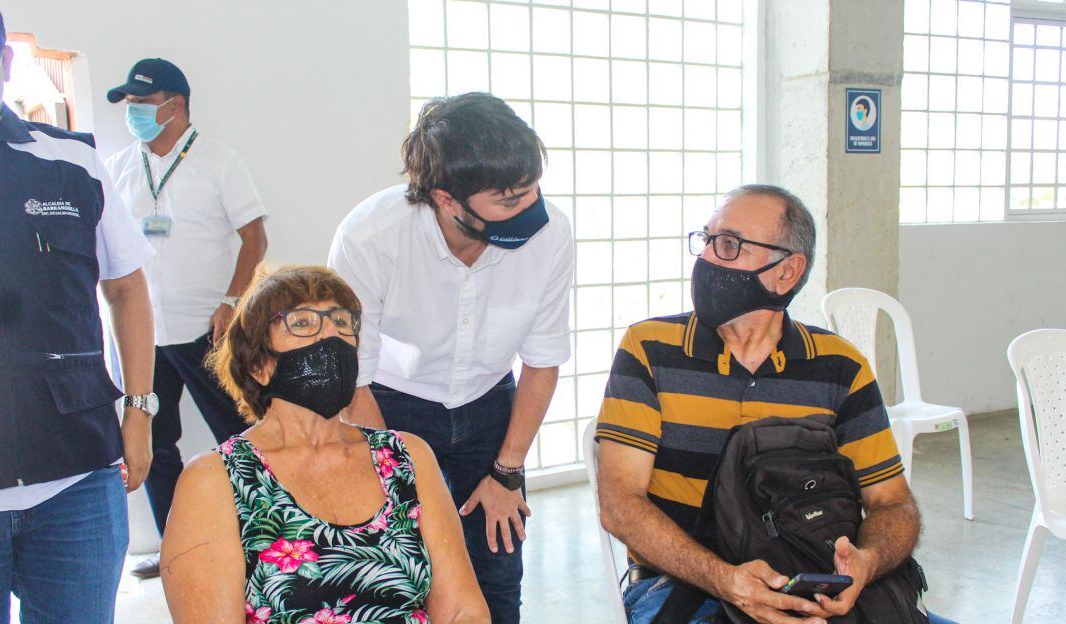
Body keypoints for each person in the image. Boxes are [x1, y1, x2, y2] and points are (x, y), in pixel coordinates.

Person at [596, 185, 957, 624]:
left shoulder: (840, 367)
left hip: (812, 584)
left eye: (729, 244)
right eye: (705, 240)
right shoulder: (649, 350)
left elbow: (893, 504)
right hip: (686, 587)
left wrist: (866, 562)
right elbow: (619, 504)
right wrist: (727, 580)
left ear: (787, 272)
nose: (707, 259)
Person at [327, 92, 573, 623]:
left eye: (532, 193)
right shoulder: (371, 237)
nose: (528, 211)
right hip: (391, 411)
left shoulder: (551, 234)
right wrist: (398, 487)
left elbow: (543, 359)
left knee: (497, 579)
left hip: (492, 409)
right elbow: (354, 382)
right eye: (508, 202)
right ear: (446, 199)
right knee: (403, 577)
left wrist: (507, 472)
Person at [160, 265, 490, 624]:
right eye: (303, 323)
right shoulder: (215, 480)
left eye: (342, 323)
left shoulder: (406, 457)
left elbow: (462, 611)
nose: (331, 337)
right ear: (259, 364)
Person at [0, 1, 157, 620]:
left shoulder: (70, 161)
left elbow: (128, 288)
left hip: (76, 480)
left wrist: (139, 412)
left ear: (3, 61)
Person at [104, 57, 269, 579]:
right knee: (153, 443)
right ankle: (180, 548)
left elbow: (254, 237)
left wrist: (231, 300)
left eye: (141, 103)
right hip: (145, 337)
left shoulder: (220, 161)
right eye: (127, 104)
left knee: (241, 438)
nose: (131, 112)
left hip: (208, 330)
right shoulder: (119, 167)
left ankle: (261, 544)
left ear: (175, 106)